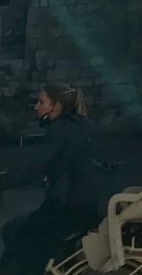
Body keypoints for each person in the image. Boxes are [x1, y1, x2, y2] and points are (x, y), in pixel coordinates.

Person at [0, 84, 105, 275]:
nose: (36, 107)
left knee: (14, 232)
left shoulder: (59, 131)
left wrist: (6, 181)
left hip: (69, 209)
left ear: (55, 106)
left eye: (41, 102)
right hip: (85, 205)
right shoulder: (78, 124)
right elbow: (52, 166)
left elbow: (36, 169)